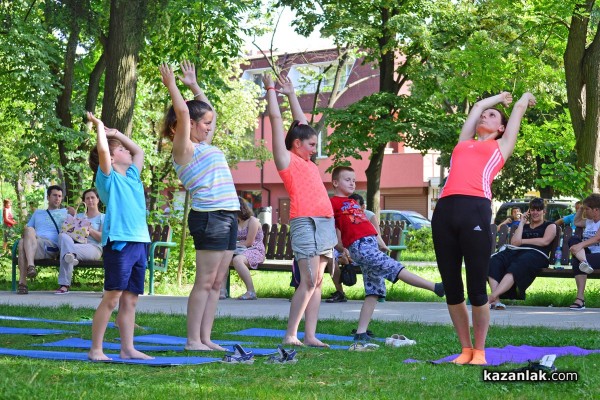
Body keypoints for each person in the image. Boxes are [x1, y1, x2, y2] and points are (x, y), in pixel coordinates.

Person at [431, 91, 536, 365]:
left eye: (491, 116)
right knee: (452, 286)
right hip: (444, 211)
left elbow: (518, 112)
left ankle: (479, 351)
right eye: (483, 115)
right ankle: (464, 349)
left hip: (475, 209)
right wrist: (497, 98)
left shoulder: (501, 146)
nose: (483, 116)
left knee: (476, 287)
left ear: (500, 128)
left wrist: (521, 98)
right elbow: (477, 105)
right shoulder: (463, 143)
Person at [160, 61, 239, 351]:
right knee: (205, 281)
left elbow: (209, 112)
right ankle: (193, 340)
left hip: (228, 216)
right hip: (210, 217)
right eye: (204, 124)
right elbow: (183, 111)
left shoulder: (205, 144)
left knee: (218, 282)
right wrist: (172, 85)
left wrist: (194, 85)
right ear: (188, 125)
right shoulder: (184, 150)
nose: (209, 126)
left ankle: (206, 338)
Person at [331, 166, 444, 348]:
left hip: (370, 244)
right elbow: (333, 230)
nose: (352, 182)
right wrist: (341, 249)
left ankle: (361, 333)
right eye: (347, 179)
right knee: (395, 268)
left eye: (354, 179)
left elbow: (366, 226)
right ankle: (435, 287)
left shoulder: (353, 203)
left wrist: (380, 243)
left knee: (373, 291)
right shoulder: (334, 203)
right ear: (335, 183)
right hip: (360, 246)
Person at [263, 73, 338, 347]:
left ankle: (310, 335)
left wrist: (291, 93)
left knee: (318, 282)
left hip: (325, 222)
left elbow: (304, 125)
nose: (314, 148)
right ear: (297, 144)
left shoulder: (308, 161)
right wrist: (271, 89)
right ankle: (290, 334)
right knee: (307, 281)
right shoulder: (287, 160)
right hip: (305, 221)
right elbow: (275, 121)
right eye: (311, 145)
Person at [87, 112, 152, 361]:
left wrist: (117, 134)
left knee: (131, 299)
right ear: (114, 157)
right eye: (121, 149)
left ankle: (127, 348)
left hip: (140, 242)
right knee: (112, 297)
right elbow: (103, 153)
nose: (127, 150)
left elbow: (140, 152)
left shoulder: (133, 176)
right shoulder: (107, 179)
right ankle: (96, 349)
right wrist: (101, 129)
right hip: (120, 243)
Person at [487, 198, 557, 309]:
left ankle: (492, 297)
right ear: (529, 211)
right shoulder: (524, 226)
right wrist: (522, 223)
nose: (535, 213)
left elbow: (544, 241)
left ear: (544, 211)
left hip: (537, 254)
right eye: (533, 210)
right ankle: (496, 301)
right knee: (494, 260)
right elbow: (514, 243)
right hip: (517, 252)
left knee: (519, 263)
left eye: (538, 210)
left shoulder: (550, 225)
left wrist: (522, 241)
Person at [16, 185, 70, 295]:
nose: (57, 198)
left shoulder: (65, 212)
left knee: (22, 243)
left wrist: (73, 213)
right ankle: (31, 266)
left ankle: (23, 283)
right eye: (54, 195)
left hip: (51, 247)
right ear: (48, 197)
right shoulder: (37, 213)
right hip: (36, 243)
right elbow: (25, 233)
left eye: (60, 196)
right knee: (28, 231)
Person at [55, 188, 105, 294]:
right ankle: (70, 255)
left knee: (66, 250)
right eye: (87, 198)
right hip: (76, 245)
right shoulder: (79, 216)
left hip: (93, 247)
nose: (90, 200)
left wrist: (88, 229)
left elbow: (102, 238)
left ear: (98, 199)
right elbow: (69, 233)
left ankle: (64, 285)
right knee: (62, 236)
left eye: (92, 197)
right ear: (84, 201)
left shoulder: (103, 217)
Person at [229, 196, 266, 300]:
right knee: (223, 258)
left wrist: (235, 244)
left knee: (237, 260)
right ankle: (222, 291)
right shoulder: (234, 222)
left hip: (255, 250)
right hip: (240, 251)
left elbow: (249, 242)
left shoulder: (252, 221)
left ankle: (251, 291)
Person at [568, 194, 600, 310]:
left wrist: (579, 246)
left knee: (577, 260)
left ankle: (580, 299)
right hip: (588, 255)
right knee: (573, 239)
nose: (585, 211)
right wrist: (581, 208)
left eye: (587, 209)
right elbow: (576, 222)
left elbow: (597, 238)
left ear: (596, 210)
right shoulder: (589, 221)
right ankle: (584, 262)